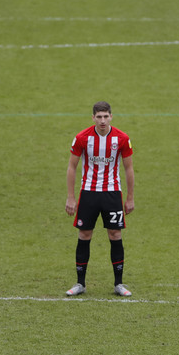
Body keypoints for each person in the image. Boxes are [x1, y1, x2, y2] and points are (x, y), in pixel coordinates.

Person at [65, 101, 135, 297]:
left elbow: (129, 169)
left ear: (111, 116)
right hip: (88, 192)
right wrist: (71, 197)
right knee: (84, 234)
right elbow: (72, 167)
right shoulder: (82, 138)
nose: (103, 120)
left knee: (115, 234)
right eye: (99, 117)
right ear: (93, 118)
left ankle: (118, 284)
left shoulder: (122, 138)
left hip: (112, 193)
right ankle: (80, 284)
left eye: (106, 116)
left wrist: (130, 197)